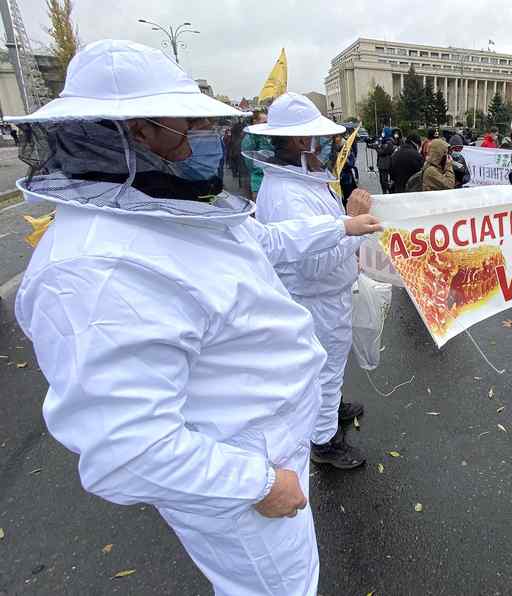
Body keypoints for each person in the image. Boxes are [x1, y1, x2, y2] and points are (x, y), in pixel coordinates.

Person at [11, 40, 380, 596]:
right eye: (193, 120)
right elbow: (126, 449)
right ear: (140, 131)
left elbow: (264, 240)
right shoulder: (93, 270)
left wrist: (343, 228)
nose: (208, 132)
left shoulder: (163, 208)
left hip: (265, 449)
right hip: (242, 483)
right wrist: (258, 483)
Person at [247, 92, 370, 470]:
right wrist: (355, 228)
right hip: (317, 299)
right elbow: (312, 266)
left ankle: (329, 414)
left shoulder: (300, 181)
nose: (327, 148)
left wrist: (350, 228)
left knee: (328, 367)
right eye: (319, 139)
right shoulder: (287, 195)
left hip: (325, 297)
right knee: (325, 371)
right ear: (301, 141)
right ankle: (324, 441)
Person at [240, 109, 272, 200]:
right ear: (255, 122)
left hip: (271, 176)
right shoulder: (249, 138)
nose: (267, 125)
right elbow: (249, 162)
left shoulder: (268, 136)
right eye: (264, 122)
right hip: (258, 179)